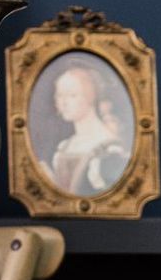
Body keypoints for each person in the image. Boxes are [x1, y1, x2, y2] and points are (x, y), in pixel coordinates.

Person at [46, 64, 129, 196]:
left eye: (72, 95)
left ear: (90, 96)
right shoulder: (65, 146)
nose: (63, 103)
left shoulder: (108, 147)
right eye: (60, 95)